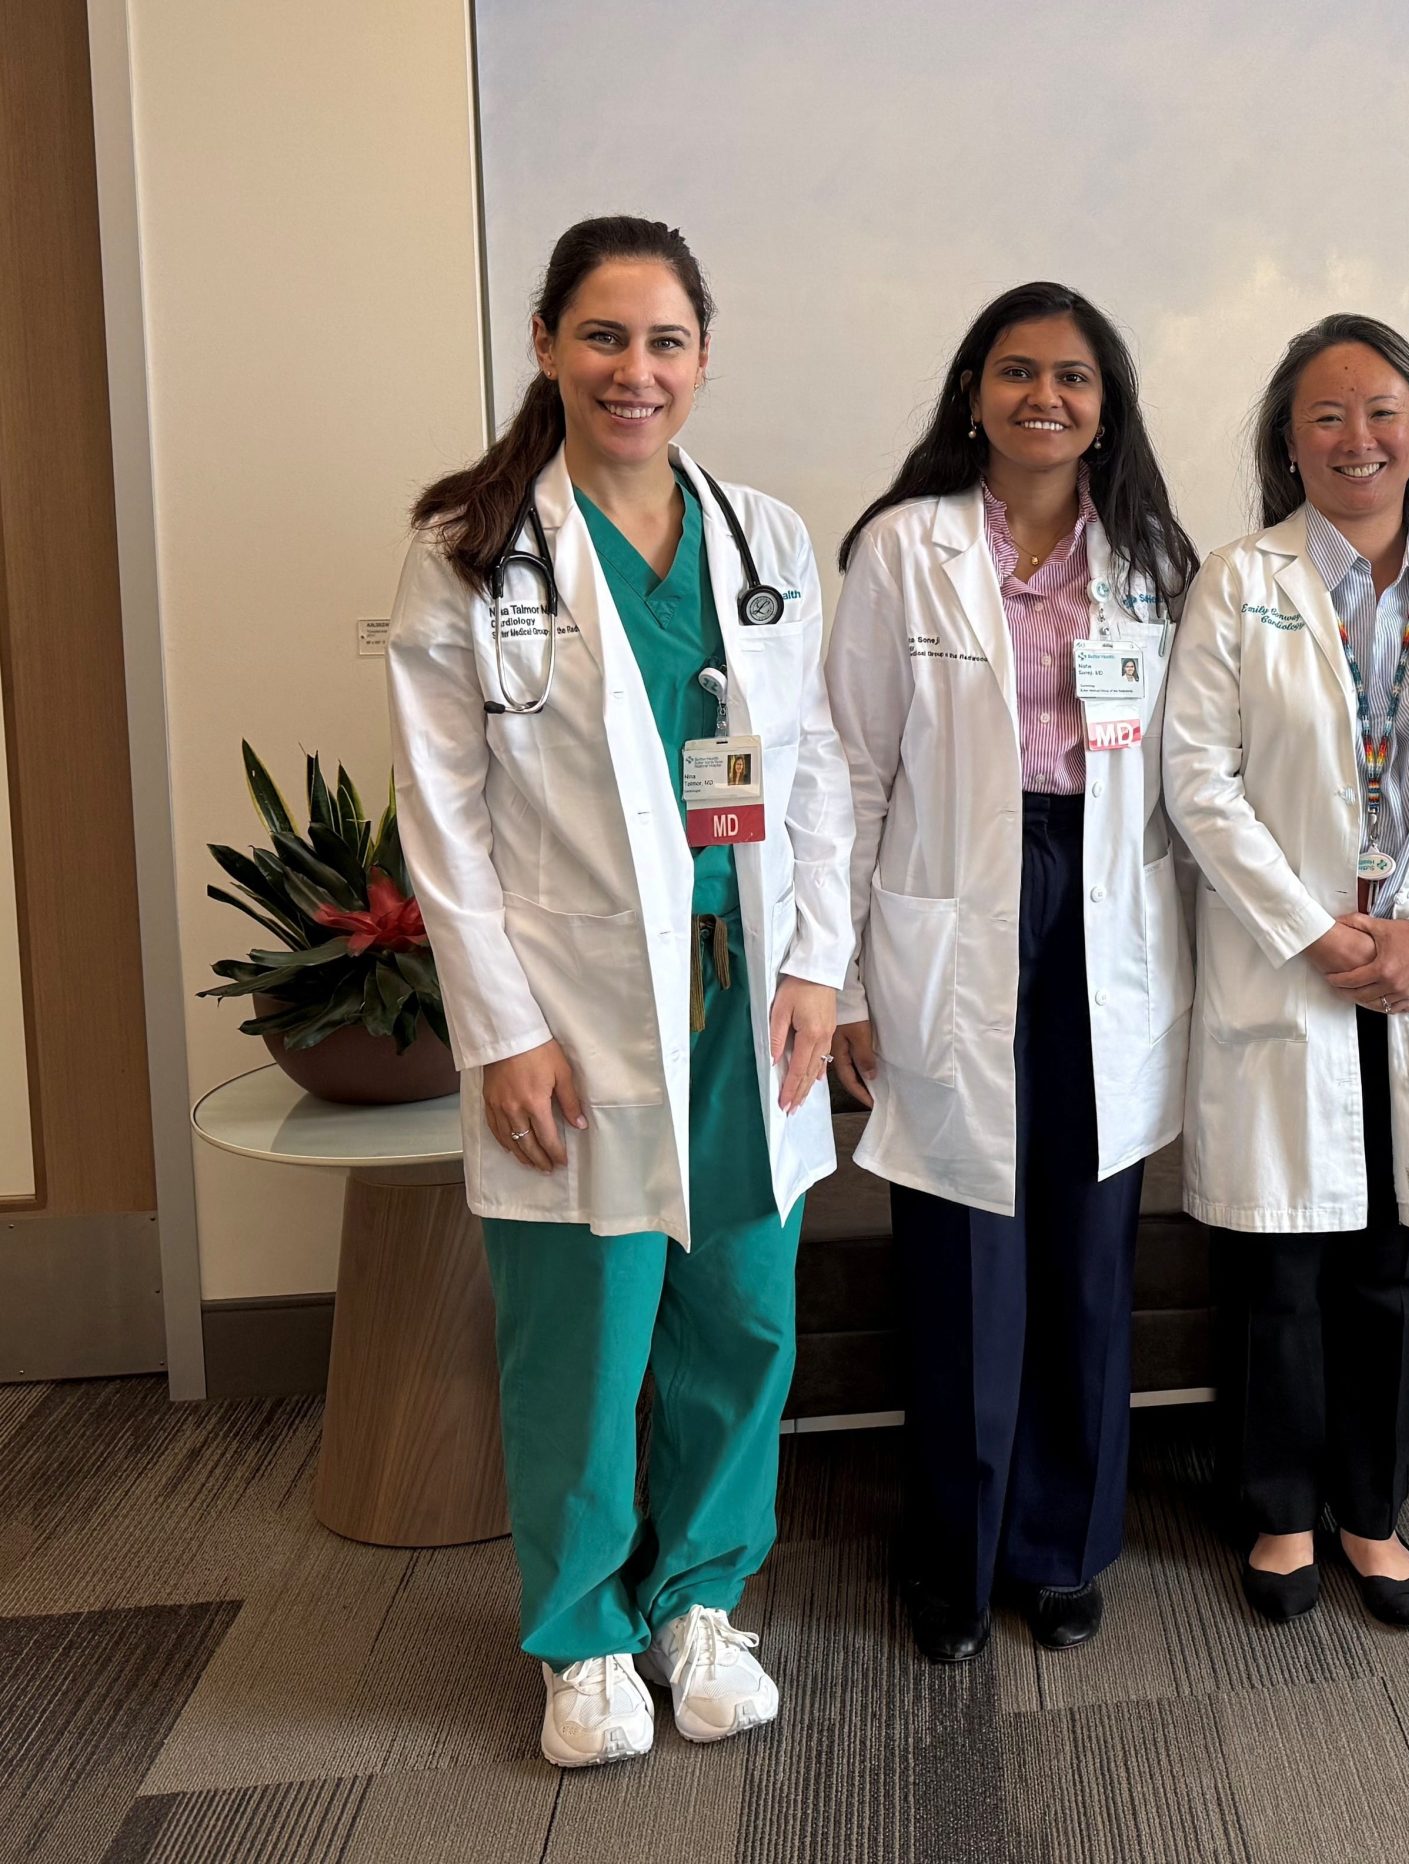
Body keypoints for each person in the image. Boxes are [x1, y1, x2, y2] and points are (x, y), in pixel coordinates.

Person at [388, 217, 851, 1766]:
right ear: (545, 345)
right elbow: (441, 812)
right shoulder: (472, 546)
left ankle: (699, 1600)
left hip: (746, 998)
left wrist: (818, 964)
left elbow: (814, 768)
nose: (633, 371)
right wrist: (502, 1033)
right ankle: (582, 1635)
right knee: (583, 1332)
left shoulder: (765, 539)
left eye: (664, 342)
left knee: (742, 1313)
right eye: (602, 336)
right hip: (574, 1011)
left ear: (703, 358)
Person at [827, 283, 1198, 1663]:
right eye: (1018, 371)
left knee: (1088, 1253)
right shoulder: (904, 547)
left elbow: (1190, 773)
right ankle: (954, 1552)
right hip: (953, 908)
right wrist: (845, 981)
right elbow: (851, 770)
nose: (1046, 396)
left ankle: (1062, 1548)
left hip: (1105, 906)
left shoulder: (1153, 561)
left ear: (1108, 406)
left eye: (1075, 376)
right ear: (974, 393)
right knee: (962, 1252)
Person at [1162, 315, 1409, 1629]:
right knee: (1277, 1266)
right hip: (1294, 972)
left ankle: (1372, 1514)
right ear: (1289, 441)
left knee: (1393, 1261)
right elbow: (1198, 780)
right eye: (1325, 416)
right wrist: (1311, 931)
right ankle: (1280, 1511)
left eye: (1381, 411)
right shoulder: (1238, 582)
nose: (1356, 438)